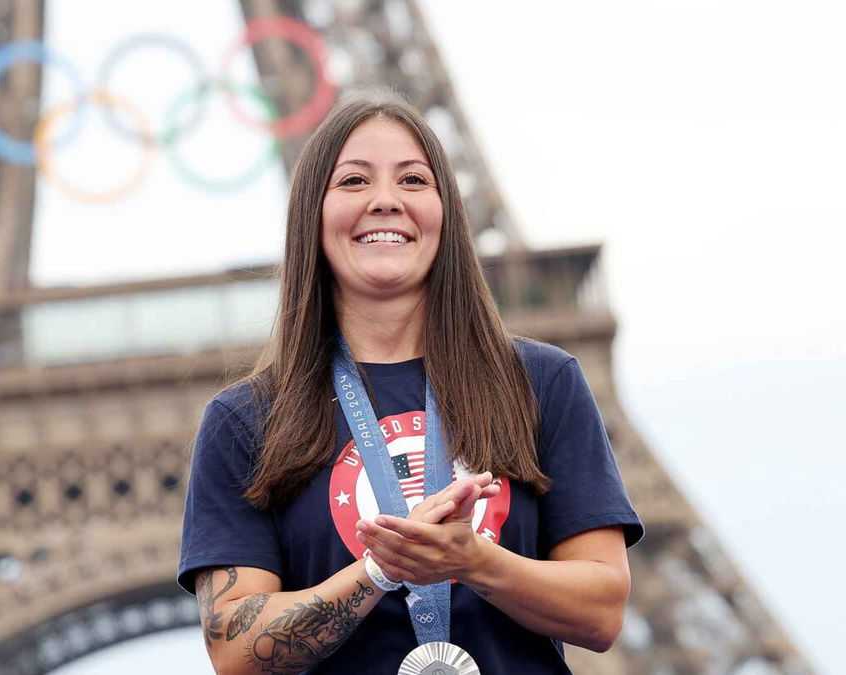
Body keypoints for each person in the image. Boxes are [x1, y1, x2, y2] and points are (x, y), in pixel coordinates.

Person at [177, 91, 644, 674]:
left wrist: (473, 561)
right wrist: (381, 569)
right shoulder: (246, 420)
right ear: (312, 218)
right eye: (352, 182)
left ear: (445, 210)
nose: (385, 201)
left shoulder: (542, 383)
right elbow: (234, 651)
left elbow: (602, 613)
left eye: (414, 180)